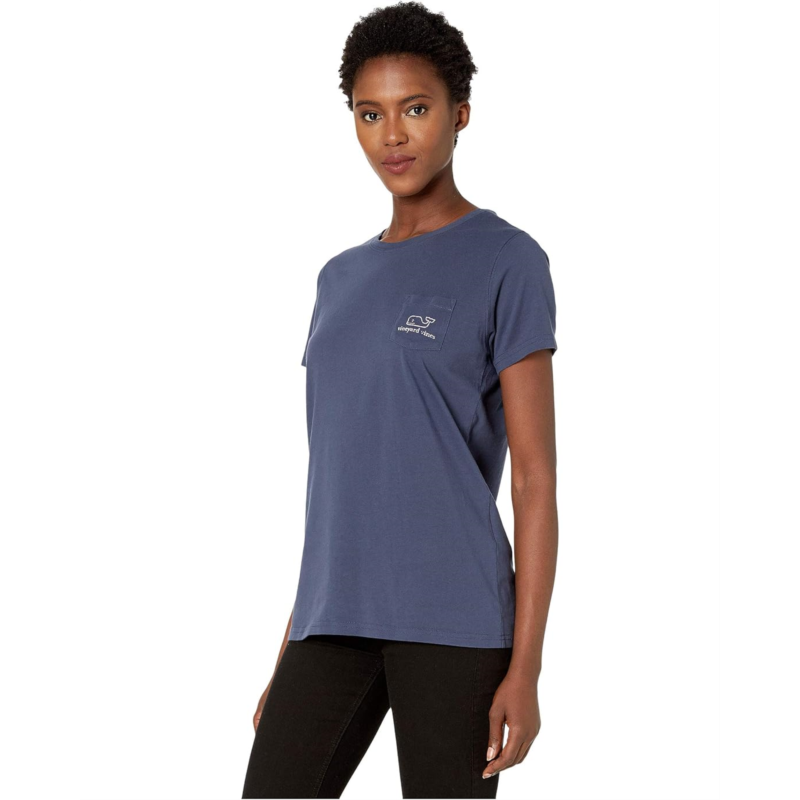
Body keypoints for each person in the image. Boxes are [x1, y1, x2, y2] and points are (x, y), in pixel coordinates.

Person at [242, 2, 558, 797]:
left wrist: (526, 668)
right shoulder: (337, 279)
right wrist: (291, 644)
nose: (393, 135)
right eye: (370, 113)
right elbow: (338, 474)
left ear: (460, 114)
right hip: (332, 617)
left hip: (455, 619)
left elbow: (534, 479)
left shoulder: (509, 261)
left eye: (416, 109)